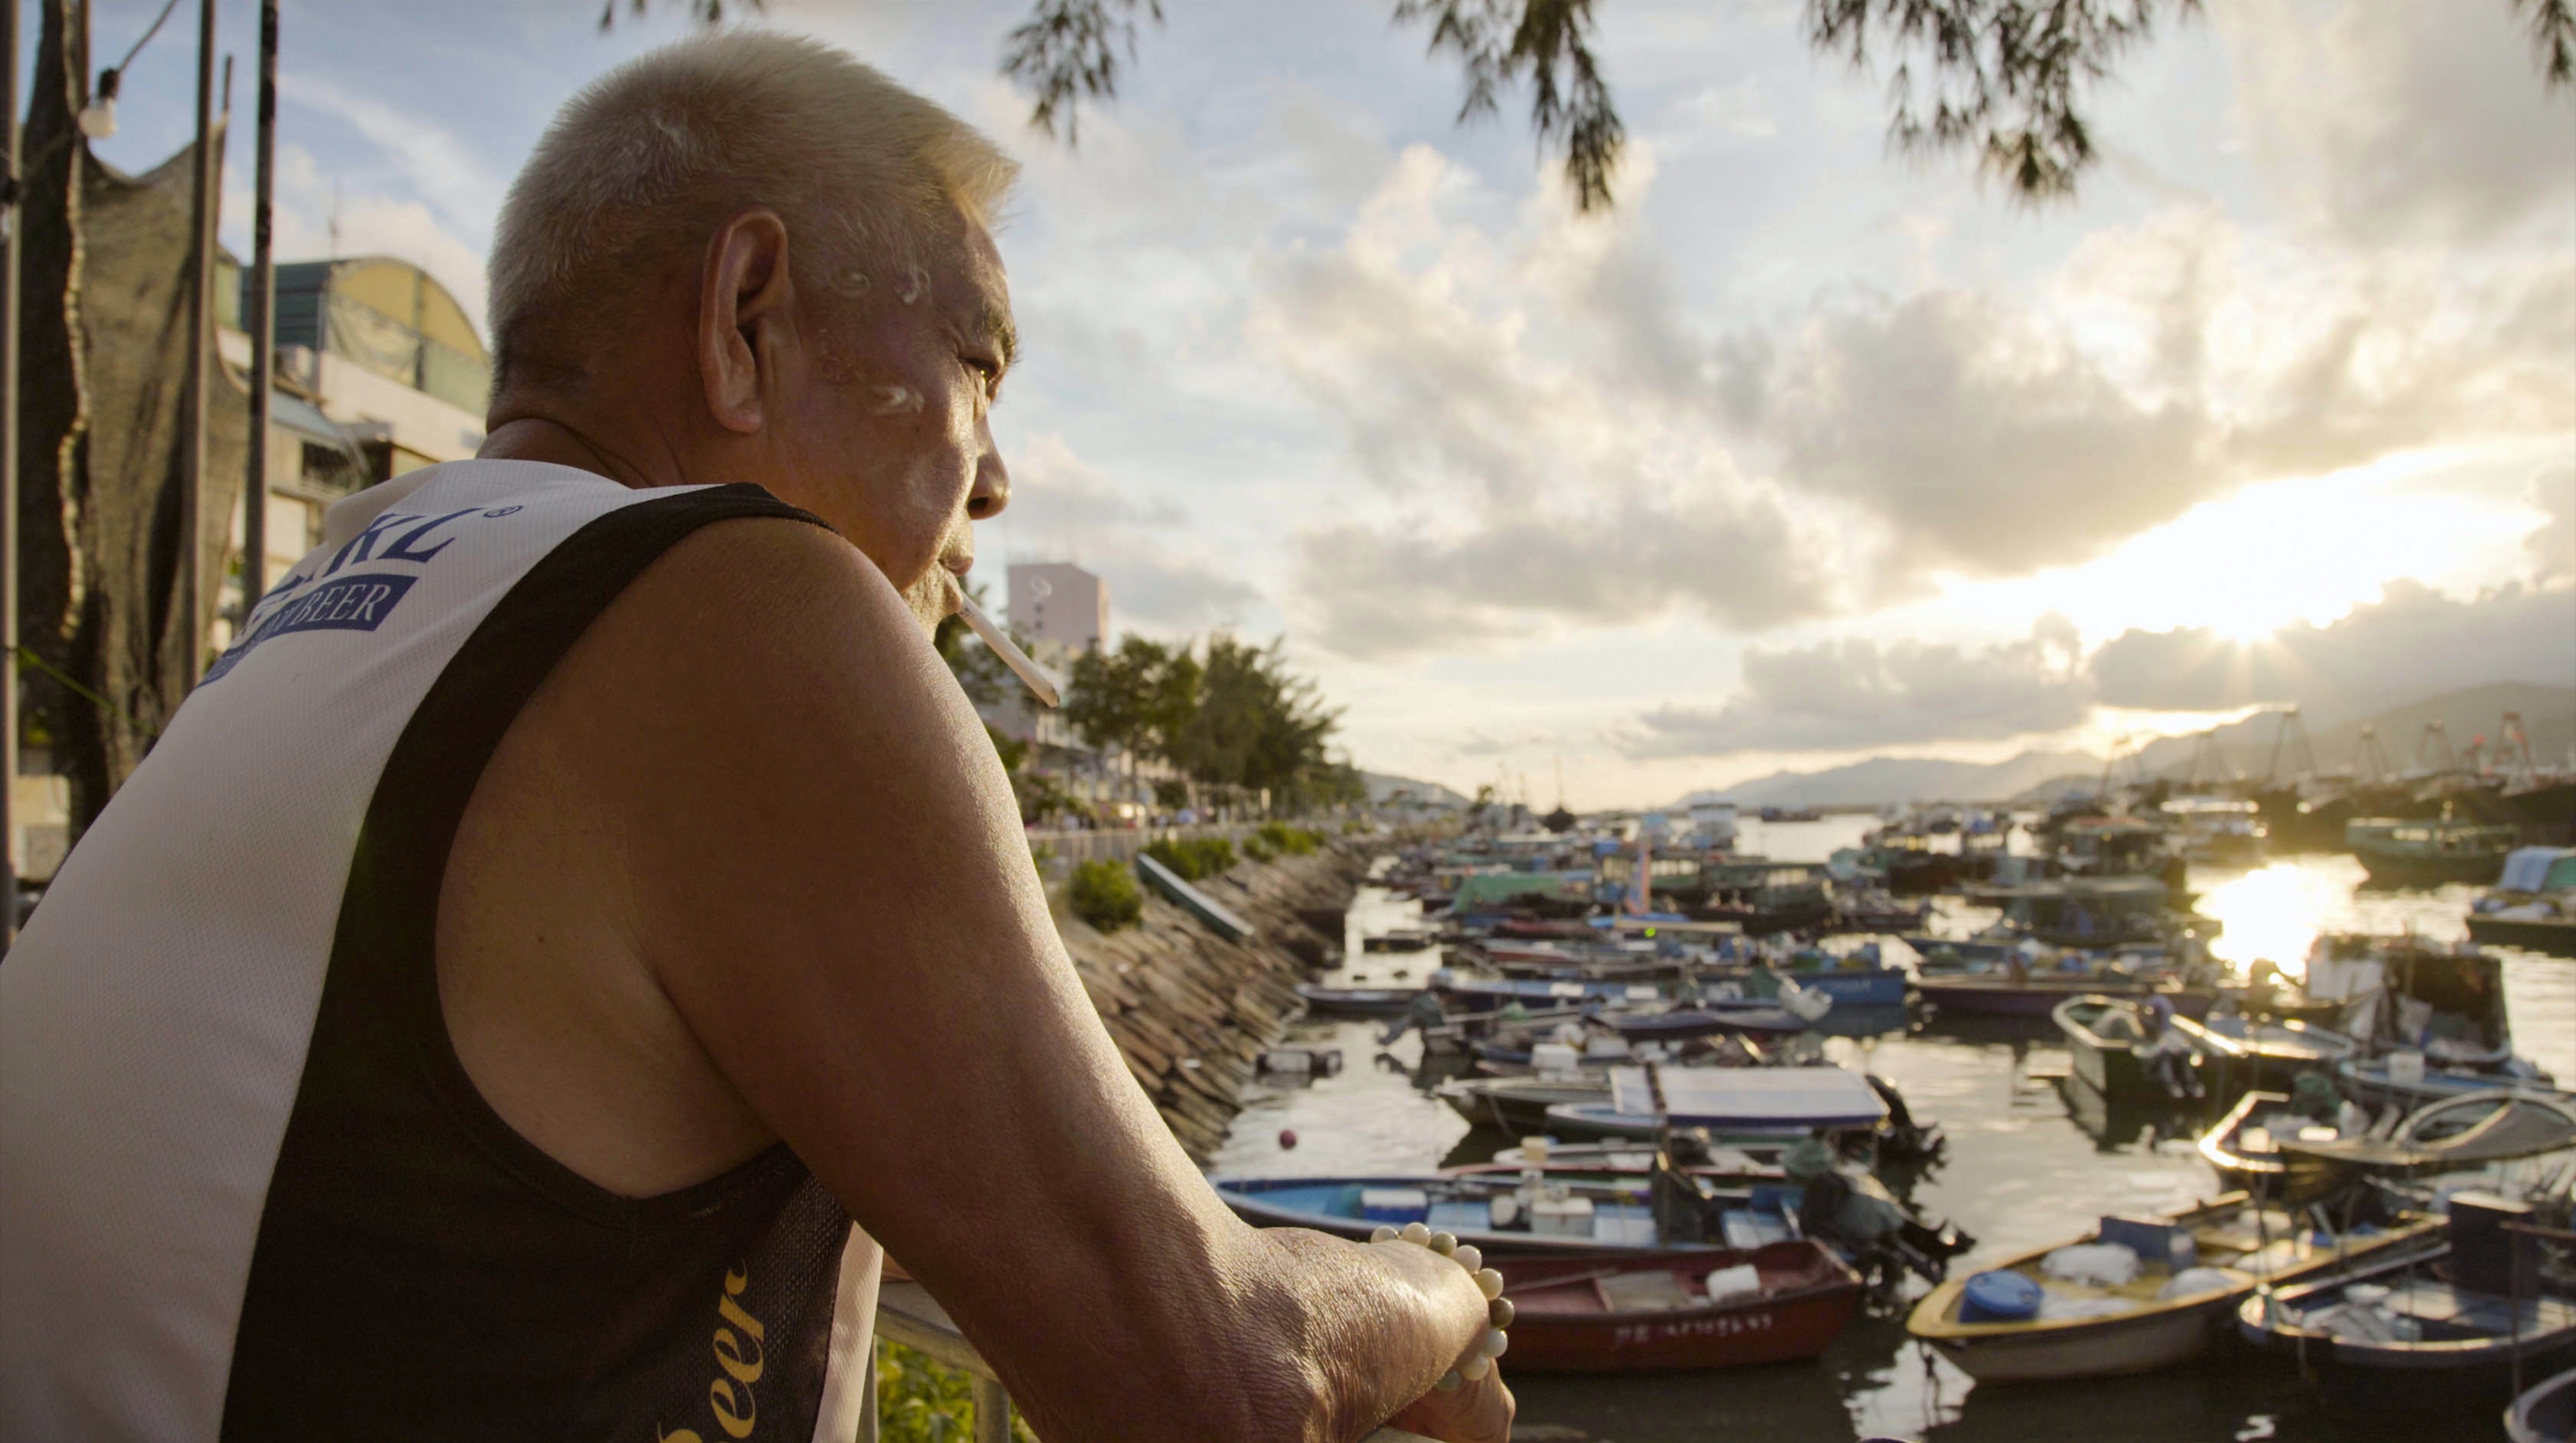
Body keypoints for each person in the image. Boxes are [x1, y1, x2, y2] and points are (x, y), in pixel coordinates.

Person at [0, 33, 1509, 1443]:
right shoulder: (737, 596)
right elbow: (1220, 1376)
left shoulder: (338, 608)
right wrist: (1443, 1291)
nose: (996, 485)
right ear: (745, 318)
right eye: (980, 364)